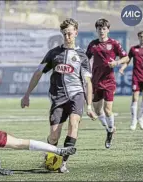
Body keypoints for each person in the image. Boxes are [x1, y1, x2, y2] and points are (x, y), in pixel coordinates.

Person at [21, 18, 97, 173]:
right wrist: (27, 94)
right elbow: (37, 73)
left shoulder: (82, 55)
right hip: (58, 97)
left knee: (73, 125)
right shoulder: (53, 53)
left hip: (77, 94)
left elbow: (88, 82)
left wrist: (89, 105)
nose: (67, 36)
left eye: (70, 33)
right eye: (64, 34)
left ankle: (63, 162)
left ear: (76, 32)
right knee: (54, 136)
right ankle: (50, 156)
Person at [86, 18, 129, 148]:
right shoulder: (92, 45)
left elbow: (126, 57)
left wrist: (116, 63)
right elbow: (85, 59)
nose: (101, 31)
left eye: (104, 29)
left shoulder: (114, 43)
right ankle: (108, 127)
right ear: (96, 30)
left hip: (109, 81)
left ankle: (110, 131)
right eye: (99, 29)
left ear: (108, 30)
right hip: (95, 81)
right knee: (98, 110)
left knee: (107, 109)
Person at [119, 31, 143, 130]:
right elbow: (128, 60)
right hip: (136, 77)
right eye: (141, 36)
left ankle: (141, 119)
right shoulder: (134, 49)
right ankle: (133, 121)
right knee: (135, 98)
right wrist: (122, 68)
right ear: (138, 37)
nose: (142, 38)